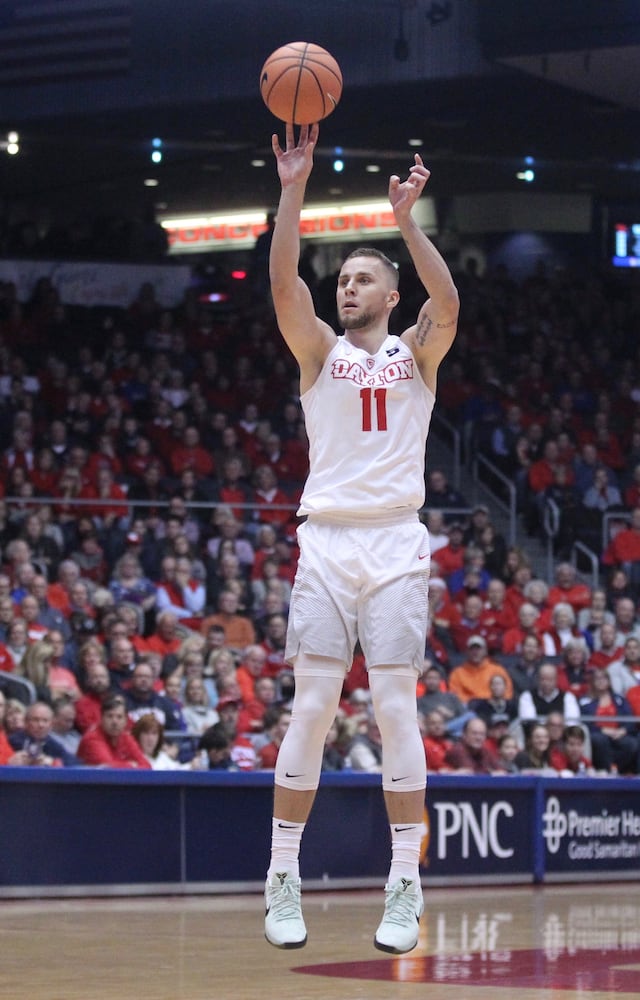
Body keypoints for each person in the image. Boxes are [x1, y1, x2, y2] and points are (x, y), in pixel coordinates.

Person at [263, 124, 458, 954]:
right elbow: (282, 287)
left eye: (361, 278)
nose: (347, 287)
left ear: (389, 295)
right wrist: (292, 187)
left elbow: (447, 303)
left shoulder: (419, 352)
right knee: (310, 709)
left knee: (392, 706)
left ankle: (404, 884)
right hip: (329, 545)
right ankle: (281, 877)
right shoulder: (318, 354)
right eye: (341, 278)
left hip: (394, 548)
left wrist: (407, 224)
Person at [77, 693, 151, 769]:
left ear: (126, 721)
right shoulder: (92, 738)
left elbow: (147, 766)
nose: (115, 722)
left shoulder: (125, 737)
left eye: (119, 717)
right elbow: (109, 769)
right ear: (101, 719)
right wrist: (132, 765)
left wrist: (125, 765)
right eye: (110, 716)